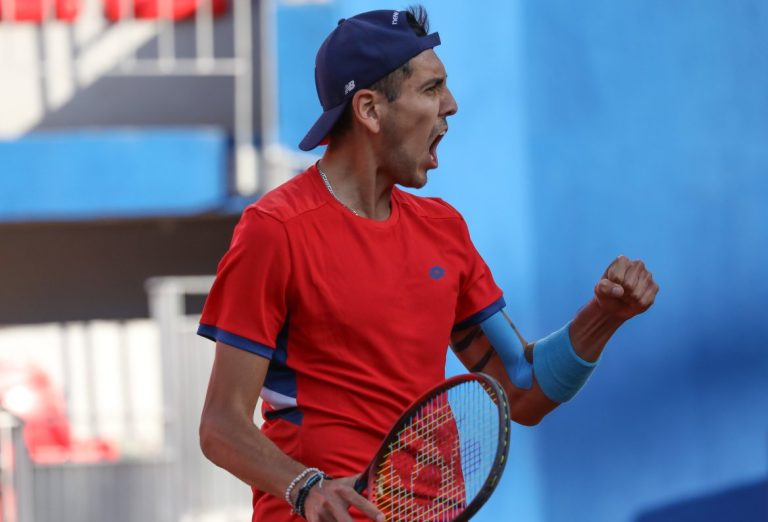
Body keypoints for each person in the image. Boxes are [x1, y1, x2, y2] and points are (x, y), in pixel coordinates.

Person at [197, 7, 659, 522]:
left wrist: (604, 317)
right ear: (370, 110)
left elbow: (521, 389)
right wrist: (308, 488)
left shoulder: (445, 229)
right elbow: (220, 424)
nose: (452, 106)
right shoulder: (275, 230)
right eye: (432, 88)